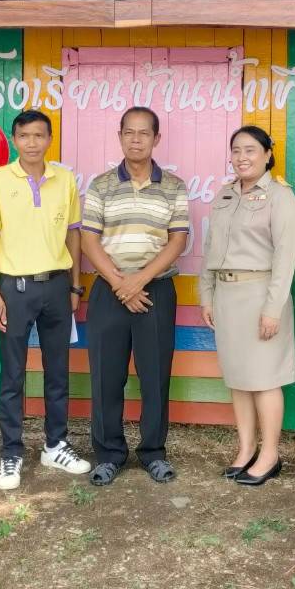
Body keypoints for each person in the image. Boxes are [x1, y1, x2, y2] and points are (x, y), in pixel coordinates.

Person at [0, 110, 91, 490]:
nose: (31, 142)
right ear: (14, 139)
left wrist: (75, 286)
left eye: (39, 135)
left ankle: (55, 445)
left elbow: (74, 233)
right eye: (24, 135)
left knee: (58, 371)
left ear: (49, 139)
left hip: (57, 286)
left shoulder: (64, 179)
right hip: (15, 288)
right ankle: (11, 452)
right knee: (12, 374)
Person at [80, 107, 191, 487]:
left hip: (155, 290)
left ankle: (153, 453)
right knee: (105, 377)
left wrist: (138, 280)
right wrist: (119, 283)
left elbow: (178, 240)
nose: (136, 139)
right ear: (120, 136)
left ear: (156, 138)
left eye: (144, 133)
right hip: (108, 290)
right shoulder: (101, 185)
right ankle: (108, 454)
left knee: (154, 376)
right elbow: (89, 240)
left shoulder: (173, 186)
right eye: (129, 132)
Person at [199, 126, 295, 487]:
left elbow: (286, 257)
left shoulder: (280, 197)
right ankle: (245, 450)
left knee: (265, 378)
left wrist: (273, 308)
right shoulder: (225, 195)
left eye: (250, 150)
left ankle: (270, 454)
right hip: (227, 297)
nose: (242, 157)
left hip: (261, 295)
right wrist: (206, 294)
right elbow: (211, 247)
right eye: (236, 150)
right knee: (239, 378)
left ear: (267, 154)